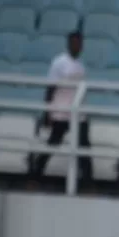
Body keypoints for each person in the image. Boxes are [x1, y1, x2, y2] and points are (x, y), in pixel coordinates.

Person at [32, 31, 92, 182]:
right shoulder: (58, 63)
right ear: (68, 44)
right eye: (74, 43)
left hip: (78, 112)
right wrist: (48, 112)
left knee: (84, 145)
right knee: (53, 143)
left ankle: (88, 180)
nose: (77, 46)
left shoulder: (81, 66)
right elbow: (50, 88)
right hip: (61, 111)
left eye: (79, 43)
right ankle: (35, 175)